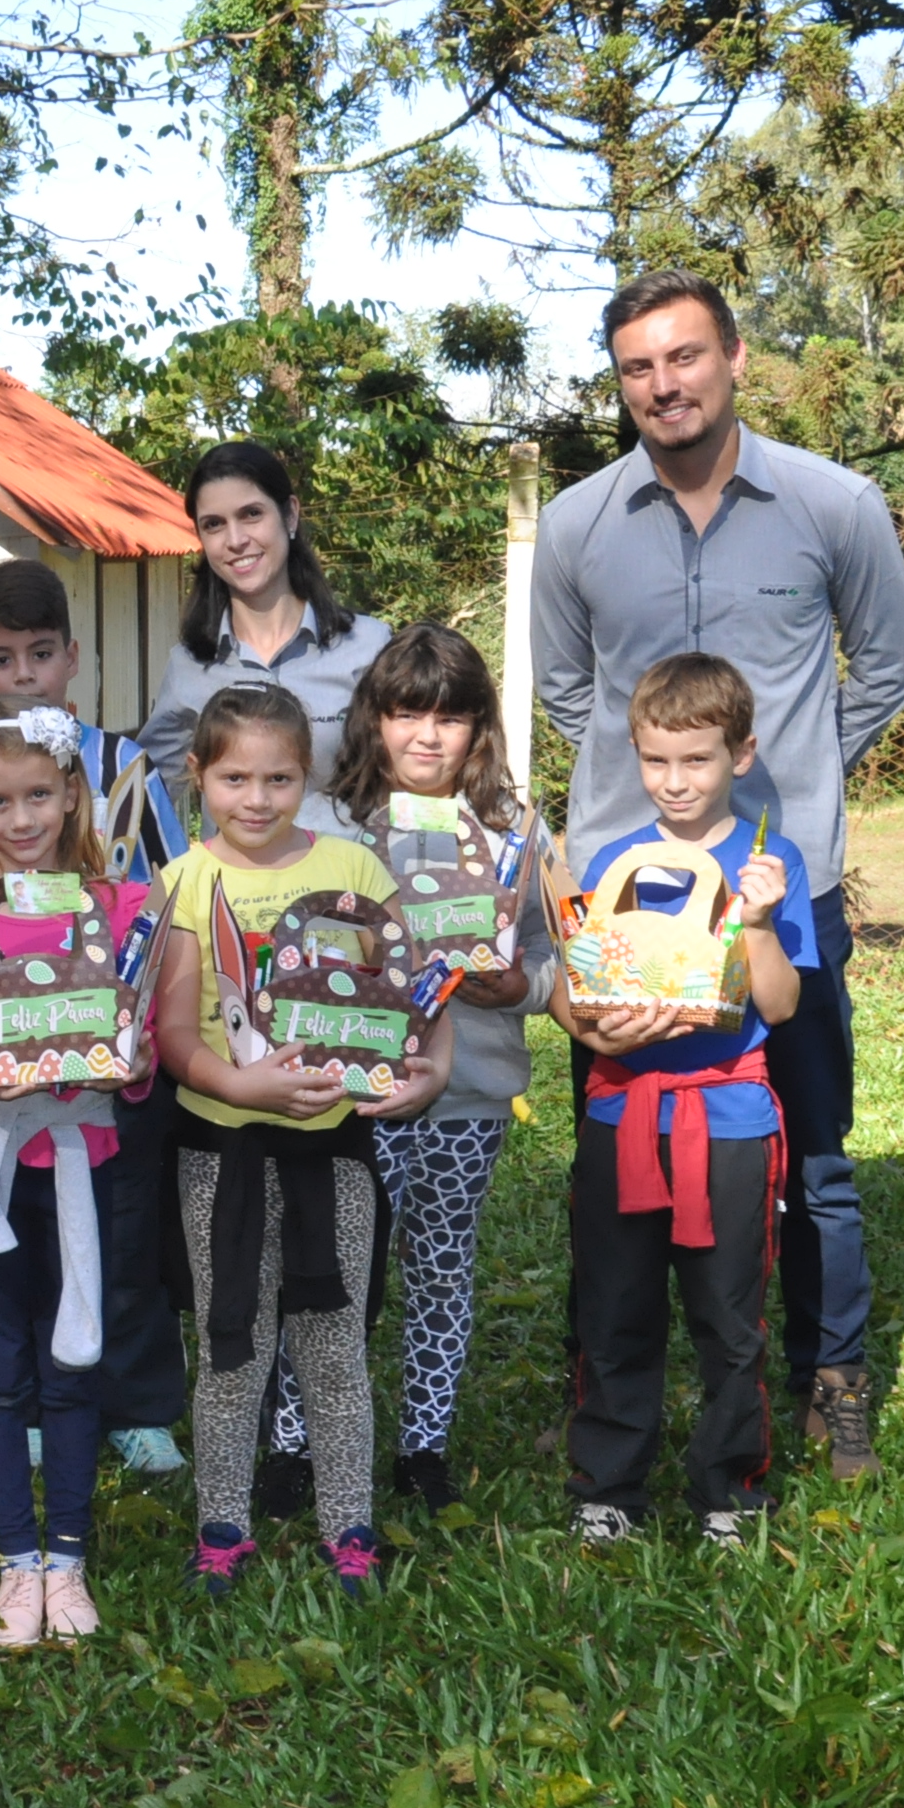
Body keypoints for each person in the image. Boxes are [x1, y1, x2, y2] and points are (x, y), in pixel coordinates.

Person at [531, 268, 904, 1479]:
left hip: (774, 895)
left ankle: (830, 1377)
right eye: (639, 368)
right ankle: (611, 1386)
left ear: (736, 357)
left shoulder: (835, 503)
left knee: (810, 1144)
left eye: (685, 358)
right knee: (617, 1139)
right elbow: (565, 691)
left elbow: (888, 666)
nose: (664, 385)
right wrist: (640, 810)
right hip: (629, 897)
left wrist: (794, 785)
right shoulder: (578, 524)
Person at [0, 558, 189, 1477]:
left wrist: (137, 1015)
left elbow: (167, 888)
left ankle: (136, 1403)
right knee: (14, 1237)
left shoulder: (122, 764)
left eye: (40, 655)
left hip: (106, 1071)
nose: (23, 676)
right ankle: (21, 1400)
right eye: (1, 658)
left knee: (125, 1227)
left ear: (73, 658)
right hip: (0, 1080)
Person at [152, 685, 446, 1600]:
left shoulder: (356, 871)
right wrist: (242, 1085)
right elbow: (173, 1037)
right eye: (235, 777)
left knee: (334, 1350)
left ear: (306, 777)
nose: (256, 797)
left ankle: (349, 1527)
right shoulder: (183, 883)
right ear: (199, 776)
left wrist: (429, 1068)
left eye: (279, 777)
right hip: (221, 1155)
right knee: (229, 1345)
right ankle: (222, 1528)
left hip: (335, 1154)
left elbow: (417, 988)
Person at [0, 702, 154, 1647]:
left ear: (71, 796)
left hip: (85, 1168)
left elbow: (144, 1046)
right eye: (0, 803)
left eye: (39, 797)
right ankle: (18, 1561)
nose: (21, 820)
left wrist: (133, 1070)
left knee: (74, 1365)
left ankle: (70, 1559)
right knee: (0, 1376)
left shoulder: (120, 911)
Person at [552, 654, 812, 1546]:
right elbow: (578, 993)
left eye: (696, 761)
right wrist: (591, 1031)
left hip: (730, 1120)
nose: (674, 782)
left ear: (741, 755)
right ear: (635, 753)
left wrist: (763, 922)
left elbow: (778, 1006)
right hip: (622, 1115)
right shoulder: (618, 860)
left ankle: (727, 1490)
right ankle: (611, 1487)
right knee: (614, 1306)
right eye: (656, 761)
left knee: (727, 1313)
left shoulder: (770, 862)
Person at [323, 624, 555, 1512]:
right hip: (354, 1098)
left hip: (470, 1096)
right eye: (407, 713)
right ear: (374, 720)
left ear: (480, 729)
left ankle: (424, 1445)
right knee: (337, 1269)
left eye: (451, 718)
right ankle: (305, 1442)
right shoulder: (334, 824)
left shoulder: (514, 831)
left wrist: (517, 987)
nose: (428, 736)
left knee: (442, 1264)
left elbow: (551, 953)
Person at [137, 442, 392, 836]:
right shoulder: (190, 666)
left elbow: (415, 777)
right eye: (214, 524)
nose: (235, 540)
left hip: (348, 891)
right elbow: (142, 802)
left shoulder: (368, 647)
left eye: (251, 514)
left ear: (290, 514)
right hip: (231, 895)